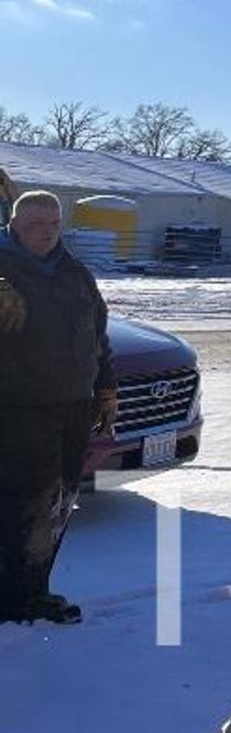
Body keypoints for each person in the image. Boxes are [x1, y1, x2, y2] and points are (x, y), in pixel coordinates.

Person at [0, 190, 115, 625]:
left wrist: (106, 389)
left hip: (72, 408)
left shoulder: (74, 272)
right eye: (35, 224)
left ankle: (34, 592)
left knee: (58, 502)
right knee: (16, 505)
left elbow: (98, 337)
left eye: (52, 224)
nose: (46, 232)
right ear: (14, 225)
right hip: (14, 411)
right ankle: (9, 599)